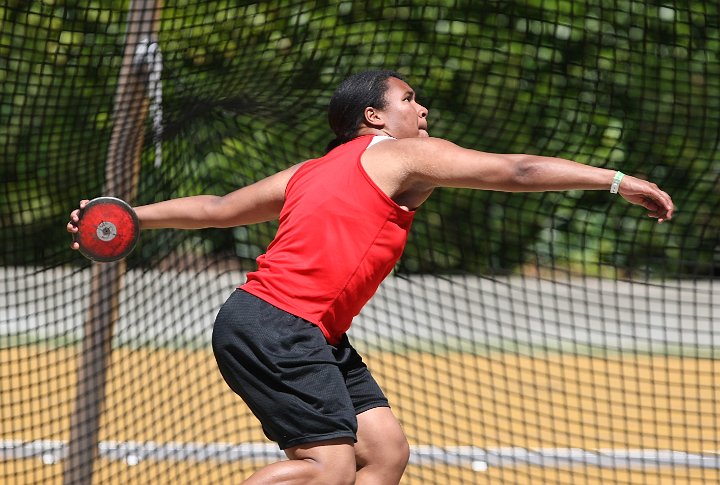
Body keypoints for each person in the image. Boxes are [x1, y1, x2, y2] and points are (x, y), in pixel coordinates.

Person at [67, 70, 674, 485]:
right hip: (282, 325)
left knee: (384, 452)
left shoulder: (311, 169)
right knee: (329, 468)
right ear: (374, 116)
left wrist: (126, 216)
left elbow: (217, 208)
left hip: (290, 327)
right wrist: (616, 180)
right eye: (410, 99)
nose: (423, 108)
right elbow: (515, 169)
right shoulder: (400, 153)